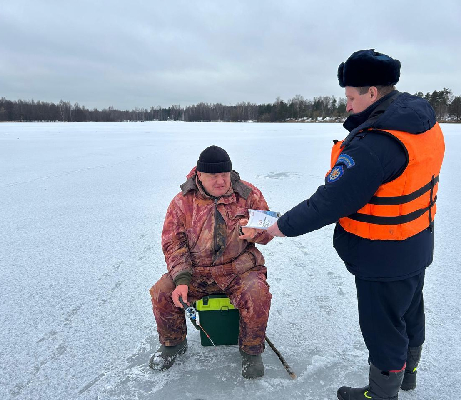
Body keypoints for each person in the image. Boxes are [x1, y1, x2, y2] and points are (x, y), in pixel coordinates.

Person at [267, 49, 445, 399]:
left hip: (382, 252)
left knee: (383, 327)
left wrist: (277, 228)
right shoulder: (422, 124)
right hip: (415, 240)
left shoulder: (375, 144)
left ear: (373, 93)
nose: (347, 106)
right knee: (409, 312)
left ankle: (381, 394)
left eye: (351, 97)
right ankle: (407, 376)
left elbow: (329, 201)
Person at [149, 145, 274, 379]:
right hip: (197, 272)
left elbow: (270, 231)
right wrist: (182, 279)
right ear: (199, 176)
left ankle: (251, 352)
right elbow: (173, 244)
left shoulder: (249, 195)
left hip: (238, 268)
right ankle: (173, 343)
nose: (220, 181)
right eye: (213, 176)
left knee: (258, 293)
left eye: (224, 175)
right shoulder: (181, 202)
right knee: (163, 292)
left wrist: (255, 232)